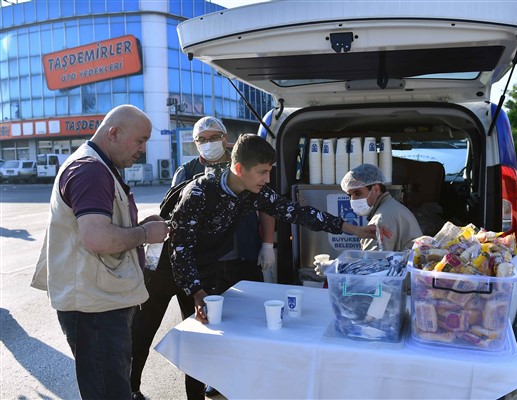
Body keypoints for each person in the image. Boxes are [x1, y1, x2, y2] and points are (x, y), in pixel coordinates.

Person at [168, 133, 389, 324]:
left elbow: (298, 213)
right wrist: (196, 292)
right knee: (175, 337)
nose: (267, 179)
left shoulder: (255, 191)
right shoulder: (200, 192)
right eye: (262, 172)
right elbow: (179, 247)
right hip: (175, 269)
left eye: (269, 171)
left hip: (209, 265)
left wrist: (356, 230)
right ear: (239, 169)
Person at [130, 117, 275, 400]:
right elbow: (173, 220)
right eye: (202, 139)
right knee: (144, 331)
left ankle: (207, 387)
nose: (209, 144)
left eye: (214, 137)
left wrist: (267, 244)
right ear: (195, 143)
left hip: (223, 263)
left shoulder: (244, 167)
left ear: (226, 138)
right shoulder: (187, 173)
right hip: (180, 265)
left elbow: (269, 206)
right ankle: (130, 387)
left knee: (203, 335)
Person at [31, 104, 170, 400]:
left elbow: (104, 227)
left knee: (111, 385)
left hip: (99, 303)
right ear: (115, 133)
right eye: (140, 140)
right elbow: (97, 238)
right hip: (95, 309)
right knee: (108, 392)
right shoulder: (91, 170)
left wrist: (140, 226)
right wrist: (145, 234)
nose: (143, 150)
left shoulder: (98, 166)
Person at [340, 163, 423, 251]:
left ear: (376, 189)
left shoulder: (381, 219)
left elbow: (373, 260)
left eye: (357, 193)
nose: (353, 200)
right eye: (350, 195)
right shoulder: (392, 207)